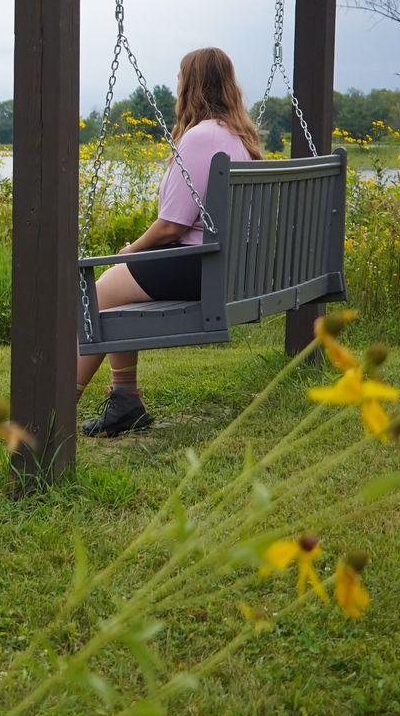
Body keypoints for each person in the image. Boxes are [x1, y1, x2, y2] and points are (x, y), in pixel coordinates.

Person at [78, 46, 263, 438]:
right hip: (228, 264)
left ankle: (53, 409)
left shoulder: (201, 137)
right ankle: (124, 399)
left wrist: (129, 251)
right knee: (116, 289)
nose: (176, 84)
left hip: (200, 265)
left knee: (93, 297)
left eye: (180, 77)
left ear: (190, 86)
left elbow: (171, 227)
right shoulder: (237, 135)